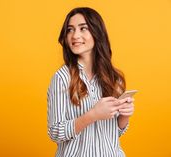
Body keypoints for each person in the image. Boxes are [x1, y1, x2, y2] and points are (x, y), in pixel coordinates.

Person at [47, 7, 135, 157]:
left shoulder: (114, 78)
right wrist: (93, 115)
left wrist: (124, 116)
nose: (75, 35)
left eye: (83, 28)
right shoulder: (62, 78)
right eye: (70, 30)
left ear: (97, 32)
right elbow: (55, 132)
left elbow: (115, 133)